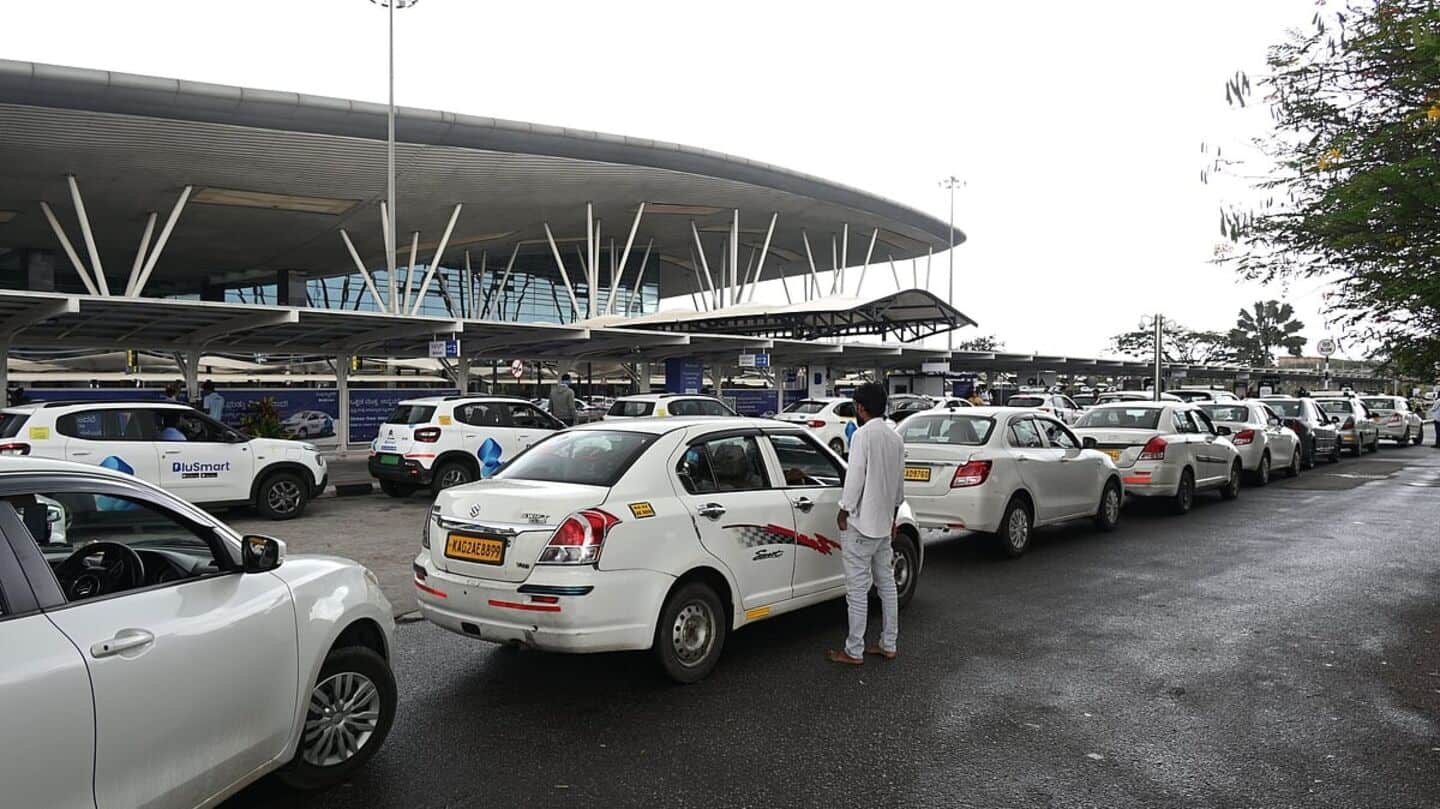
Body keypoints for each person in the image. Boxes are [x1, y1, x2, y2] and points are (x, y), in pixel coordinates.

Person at [828, 381, 905, 666]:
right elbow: (899, 483)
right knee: (887, 585)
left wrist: (843, 510)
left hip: (861, 524)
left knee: (857, 591)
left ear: (861, 408)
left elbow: (855, 476)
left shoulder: (862, 436)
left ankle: (854, 650)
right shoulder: (895, 438)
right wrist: (894, 517)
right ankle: (889, 643)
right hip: (884, 523)